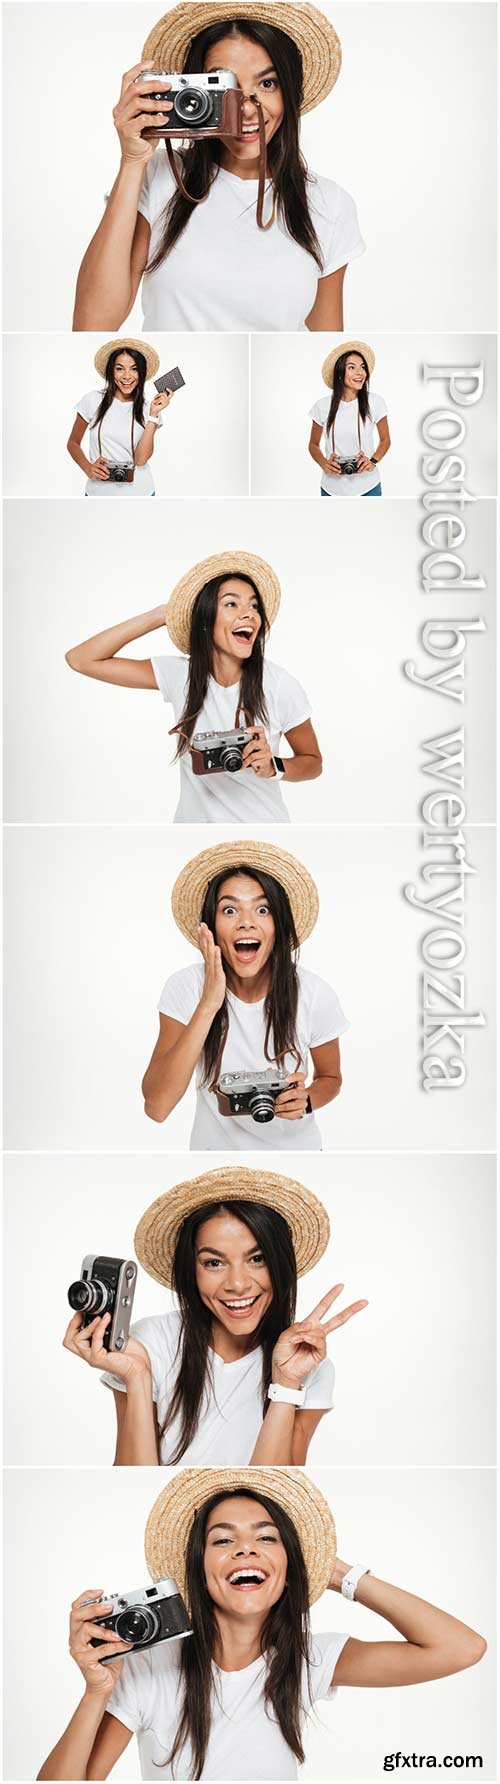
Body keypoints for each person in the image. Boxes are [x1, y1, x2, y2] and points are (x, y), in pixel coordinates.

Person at [38, 1466, 487, 1782]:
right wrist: (96, 1690)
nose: (246, 1549)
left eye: (267, 1537)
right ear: (199, 1568)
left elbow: (461, 1649)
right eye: (223, 1539)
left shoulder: (308, 1660)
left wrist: (341, 1576)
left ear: (287, 1566)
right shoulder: (147, 1668)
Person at [73, 2, 365, 334]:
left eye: (267, 84)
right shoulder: (159, 177)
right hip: (177, 374)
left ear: (290, 91)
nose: (246, 109)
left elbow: (323, 343)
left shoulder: (329, 203)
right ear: (197, 92)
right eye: (225, 85)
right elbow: (91, 326)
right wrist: (132, 161)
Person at [63, 1165, 367, 1464]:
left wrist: (286, 1383)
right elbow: (133, 1482)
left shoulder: (308, 1365)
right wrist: (137, 1377)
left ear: (280, 1265)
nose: (237, 1284)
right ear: (191, 1271)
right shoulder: (151, 1343)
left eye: (257, 1259)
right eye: (214, 1263)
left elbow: (273, 1484)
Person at [64, 551, 323, 822]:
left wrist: (274, 766)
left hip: (262, 824)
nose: (248, 614)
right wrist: (164, 613)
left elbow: (313, 761)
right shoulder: (180, 675)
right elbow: (81, 660)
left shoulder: (279, 684)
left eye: (254, 606)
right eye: (232, 604)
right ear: (206, 616)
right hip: (193, 828)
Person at [142, 838, 348, 1150]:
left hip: (297, 1155)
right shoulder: (185, 988)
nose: (246, 923)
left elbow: (331, 1078)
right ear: (209, 927)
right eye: (229, 910)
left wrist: (305, 1100)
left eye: (262, 909)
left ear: (279, 924)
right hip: (214, 1157)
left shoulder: (314, 993)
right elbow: (157, 1107)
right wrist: (209, 1003)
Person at [67, 339, 172, 497]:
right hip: (98, 493)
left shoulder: (149, 409)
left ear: (141, 373)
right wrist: (88, 468)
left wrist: (153, 415)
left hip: (140, 493)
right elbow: (73, 443)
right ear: (111, 371)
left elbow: (141, 460)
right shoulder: (92, 400)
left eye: (134, 369)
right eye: (120, 369)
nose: (127, 376)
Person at [308, 340, 390, 497]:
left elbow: (386, 440)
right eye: (352, 367)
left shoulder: (375, 402)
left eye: (363, 367)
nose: (360, 373)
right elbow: (313, 444)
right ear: (340, 373)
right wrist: (324, 464)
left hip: (368, 487)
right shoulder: (322, 406)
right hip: (331, 489)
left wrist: (372, 461)